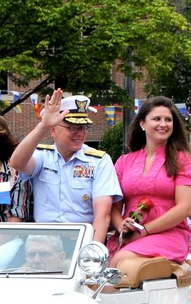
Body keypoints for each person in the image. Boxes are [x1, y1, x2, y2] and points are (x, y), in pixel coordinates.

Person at [9, 90, 121, 241]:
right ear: (53, 130)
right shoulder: (43, 155)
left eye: (83, 127)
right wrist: (43, 126)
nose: (80, 133)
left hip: (82, 238)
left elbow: (103, 214)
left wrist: (91, 253)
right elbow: (17, 162)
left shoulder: (99, 161)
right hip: (43, 239)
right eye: (73, 128)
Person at [108, 97, 191, 266]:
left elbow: (185, 208)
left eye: (168, 120)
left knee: (122, 260)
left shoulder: (183, 160)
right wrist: (121, 225)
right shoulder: (124, 161)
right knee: (98, 261)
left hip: (169, 234)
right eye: (157, 119)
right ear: (142, 124)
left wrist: (145, 231)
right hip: (129, 235)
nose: (163, 124)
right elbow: (114, 208)